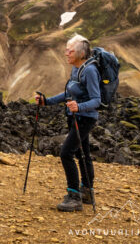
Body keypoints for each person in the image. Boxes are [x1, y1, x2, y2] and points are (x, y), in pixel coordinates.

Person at [35, 34, 101, 212]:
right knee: (83, 154)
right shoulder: (76, 69)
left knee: (66, 153)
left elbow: (97, 100)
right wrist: (46, 101)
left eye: (69, 51)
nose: (66, 54)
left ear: (80, 53)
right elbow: (68, 94)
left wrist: (79, 107)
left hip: (85, 118)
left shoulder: (89, 71)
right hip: (76, 117)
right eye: (66, 50)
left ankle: (74, 196)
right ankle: (87, 192)